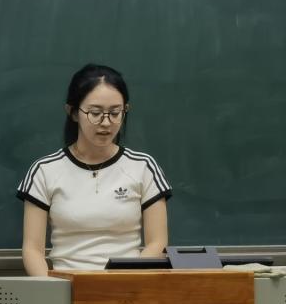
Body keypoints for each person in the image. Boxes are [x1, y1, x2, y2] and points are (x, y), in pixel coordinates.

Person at [17, 63, 171, 275]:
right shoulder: (44, 170)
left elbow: (157, 243)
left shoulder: (143, 167)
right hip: (65, 285)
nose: (106, 123)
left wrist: (126, 282)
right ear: (73, 112)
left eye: (115, 113)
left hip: (129, 285)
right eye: (95, 113)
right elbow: (32, 250)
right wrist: (51, 288)